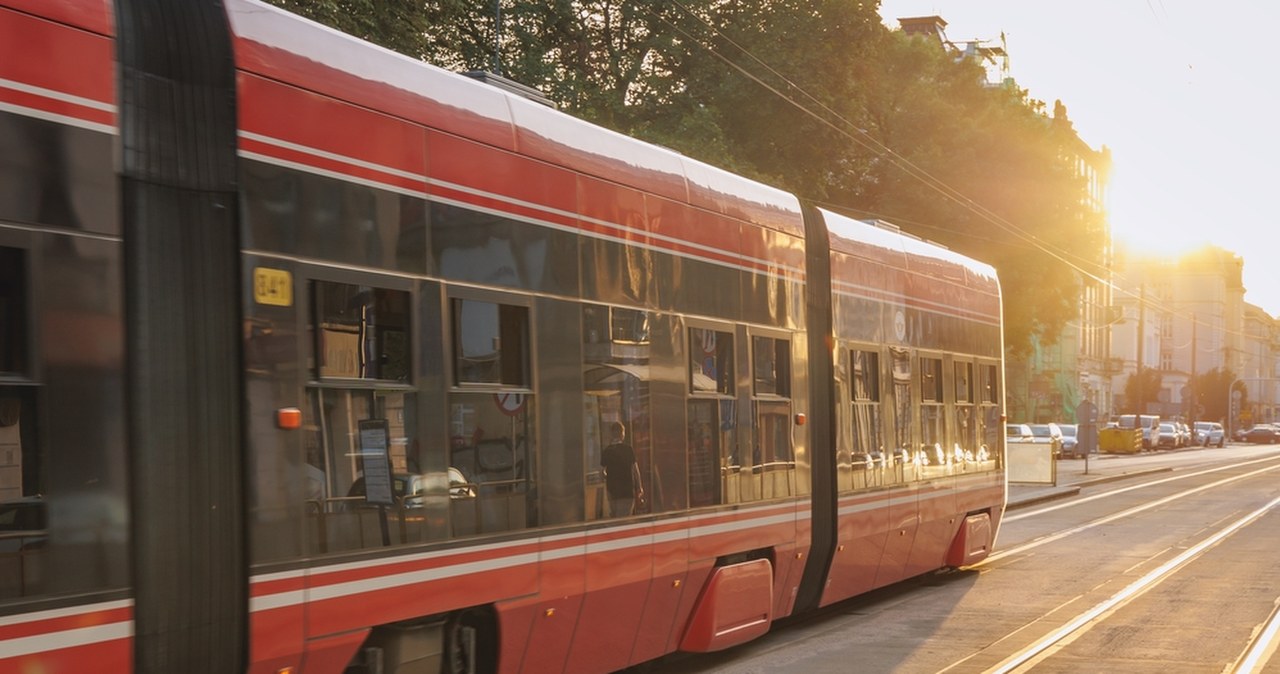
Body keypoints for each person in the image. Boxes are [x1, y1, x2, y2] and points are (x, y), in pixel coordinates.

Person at [600, 421, 643, 518]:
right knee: (623, 519)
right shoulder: (628, 449)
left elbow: (602, 472)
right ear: (622, 434)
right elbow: (635, 470)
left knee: (615, 518)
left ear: (611, 434)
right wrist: (639, 487)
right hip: (627, 492)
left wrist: (609, 477)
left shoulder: (607, 451)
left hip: (612, 492)